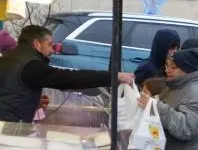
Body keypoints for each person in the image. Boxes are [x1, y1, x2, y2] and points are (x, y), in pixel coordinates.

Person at [0, 25, 134, 123]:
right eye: (50, 44)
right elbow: (70, 78)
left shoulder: (8, 58)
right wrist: (113, 77)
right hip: (9, 126)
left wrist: (30, 100)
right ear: (37, 44)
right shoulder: (32, 66)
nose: (52, 50)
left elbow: (9, 91)